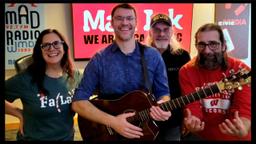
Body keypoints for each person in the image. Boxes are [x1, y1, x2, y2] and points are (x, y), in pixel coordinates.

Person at [72, 3, 172, 140]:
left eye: (129, 18)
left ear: (136, 22)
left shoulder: (153, 56)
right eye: (119, 18)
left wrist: (162, 106)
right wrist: (113, 122)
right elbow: (78, 102)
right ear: (111, 23)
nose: (125, 23)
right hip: (108, 135)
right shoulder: (99, 59)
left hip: (144, 133)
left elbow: (163, 94)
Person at [5, 29, 81, 141]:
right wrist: (19, 113)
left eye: (56, 43)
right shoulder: (25, 79)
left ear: (64, 47)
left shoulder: (75, 76)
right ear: (40, 51)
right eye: (46, 45)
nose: (51, 48)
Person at [179, 23, 251, 141]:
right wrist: (193, 122)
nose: (207, 51)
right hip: (203, 137)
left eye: (213, 44)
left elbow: (244, 108)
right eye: (201, 45)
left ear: (223, 45)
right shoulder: (186, 71)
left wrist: (243, 127)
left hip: (236, 137)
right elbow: (193, 107)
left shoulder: (242, 70)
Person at [147, 13, 191, 141]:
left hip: (173, 121)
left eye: (166, 29)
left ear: (172, 32)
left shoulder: (182, 56)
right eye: (157, 30)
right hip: (146, 120)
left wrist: (186, 117)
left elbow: (187, 89)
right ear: (150, 32)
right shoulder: (141, 56)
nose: (161, 34)